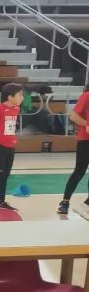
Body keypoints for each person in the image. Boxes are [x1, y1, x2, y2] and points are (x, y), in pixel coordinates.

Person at [58, 81, 89, 215]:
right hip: (85, 140)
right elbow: (73, 115)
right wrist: (86, 123)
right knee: (79, 171)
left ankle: (87, 204)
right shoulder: (87, 96)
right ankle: (65, 201)